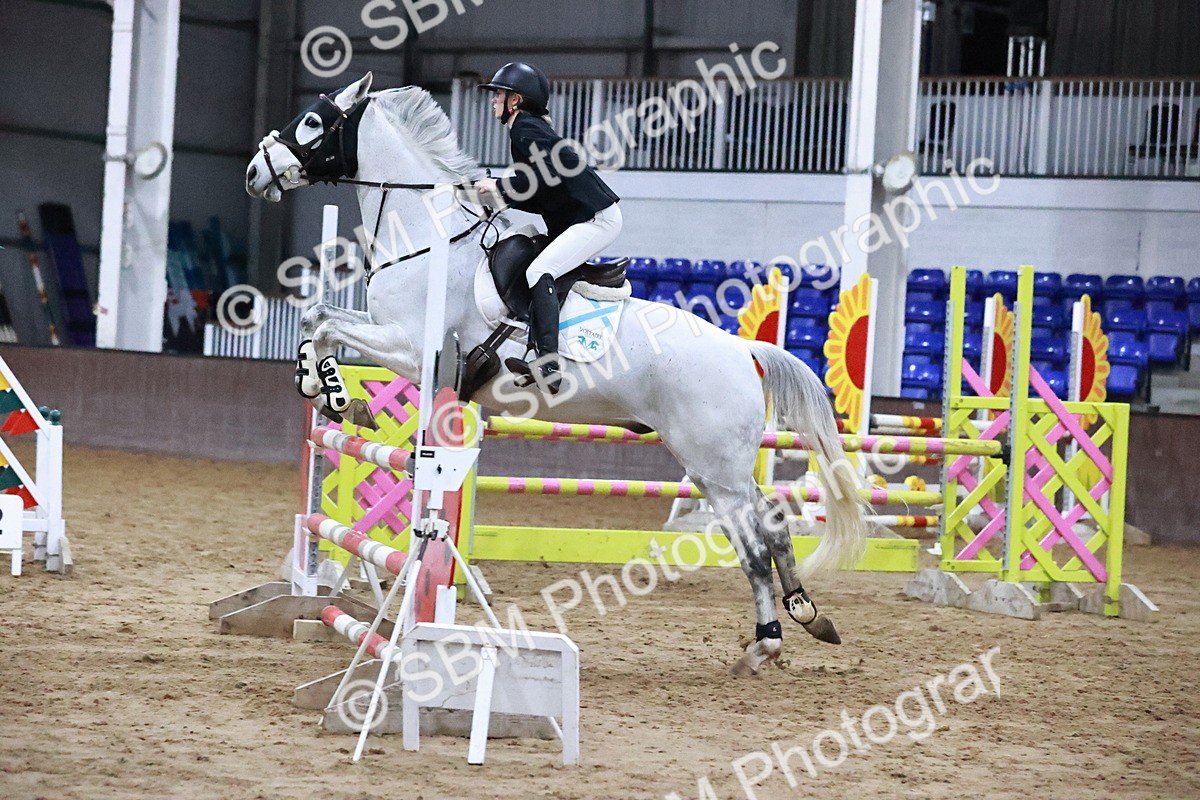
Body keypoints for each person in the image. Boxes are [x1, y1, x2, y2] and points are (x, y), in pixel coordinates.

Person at [475, 62, 622, 394]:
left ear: (516, 100)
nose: (493, 100)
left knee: (539, 270)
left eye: (498, 94)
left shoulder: (523, 129)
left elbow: (537, 178)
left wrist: (497, 185)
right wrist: (497, 196)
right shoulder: (527, 128)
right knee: (535, 263)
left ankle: (550, 365)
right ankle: (534, 349)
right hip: (583, 216)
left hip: (597, 218)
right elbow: (540, 194)